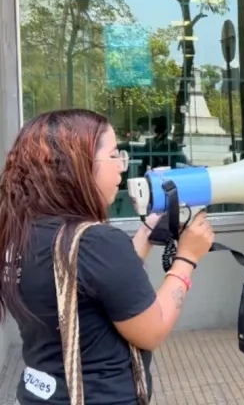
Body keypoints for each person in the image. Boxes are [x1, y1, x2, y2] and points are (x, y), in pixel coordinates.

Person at [0, 109, 215, 405]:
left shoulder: (19, 232)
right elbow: (152, 330)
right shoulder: (95, 241)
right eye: (114, 155)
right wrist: (187, 258)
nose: (122, 167)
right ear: (79, 165)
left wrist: (146, 232)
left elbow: (94, 283)